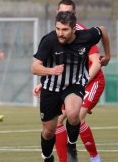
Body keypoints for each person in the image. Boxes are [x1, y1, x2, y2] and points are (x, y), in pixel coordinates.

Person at [31, 11, 110, 162]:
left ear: (74, 29)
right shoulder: (49, 40)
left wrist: (108, 56)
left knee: (74, 114)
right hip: (51, 88)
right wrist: (51, 71)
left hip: (74, 85)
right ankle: (47, 157)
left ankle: (71, 145)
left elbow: (103, 30)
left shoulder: (86, 37)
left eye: (65, 29)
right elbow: (34, 68)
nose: (60, 33)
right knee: (49, 131)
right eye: (58, 28)